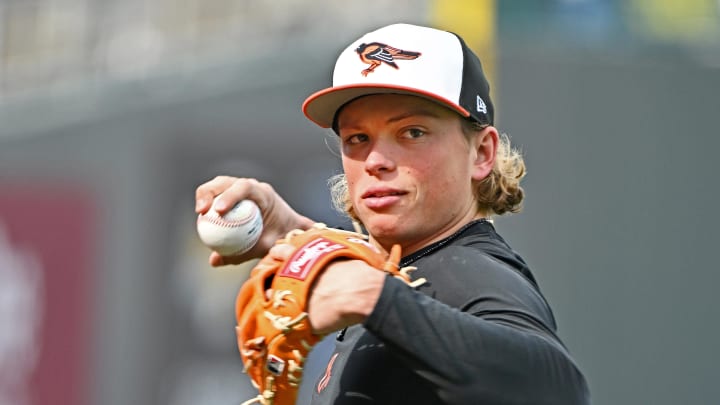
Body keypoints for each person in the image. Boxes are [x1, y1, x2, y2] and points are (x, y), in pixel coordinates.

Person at [195, 23, 590, 404]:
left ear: (482, 153)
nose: (377, 160)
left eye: (413, 132)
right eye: (358, 138)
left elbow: (559, 390)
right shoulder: (413, 272)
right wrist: (302, 239)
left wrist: (373, 296)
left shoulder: (470, 272)